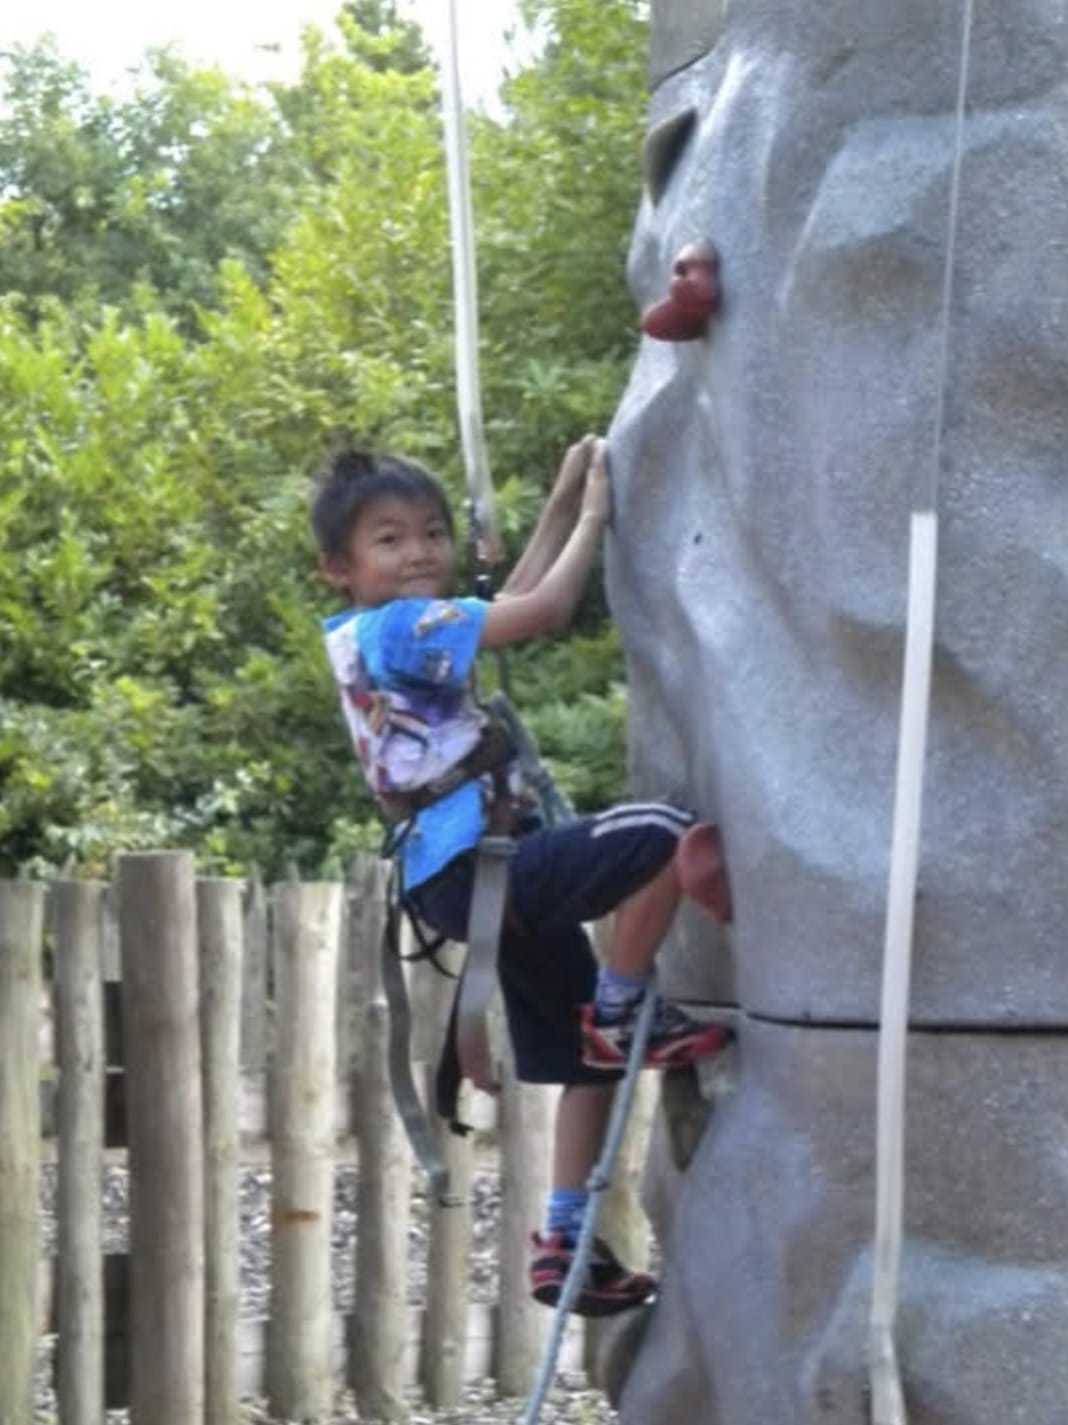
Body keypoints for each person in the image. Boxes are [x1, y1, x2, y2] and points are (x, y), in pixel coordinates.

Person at [313, 434, 730, 1316]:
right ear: (337, 569)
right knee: (667, 832)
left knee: (586, 1061)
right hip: (476, 864)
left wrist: (562, 498)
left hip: (470, 876)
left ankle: (564, 1238)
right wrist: (595, 516)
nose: (420, 551)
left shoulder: (389, 633)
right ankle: (624, 1006)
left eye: (431, 533)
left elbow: (501, 604)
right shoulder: (400, 629)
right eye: (389, 539)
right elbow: (542, 610)